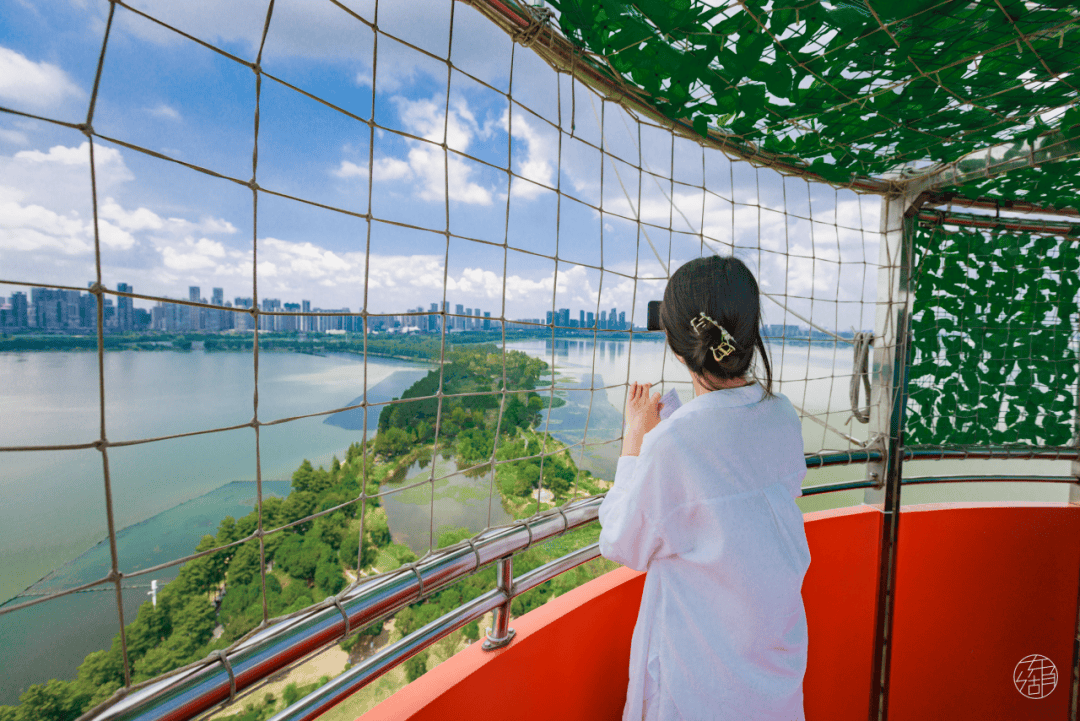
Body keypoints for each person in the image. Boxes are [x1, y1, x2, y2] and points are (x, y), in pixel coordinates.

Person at [598, 255, 811, 721]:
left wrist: (636, 439)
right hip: (774, 663)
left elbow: (620, 541)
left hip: (700, 682)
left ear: (678, 348)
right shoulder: (782, 414)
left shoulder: (672, 443)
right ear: (749, 335)